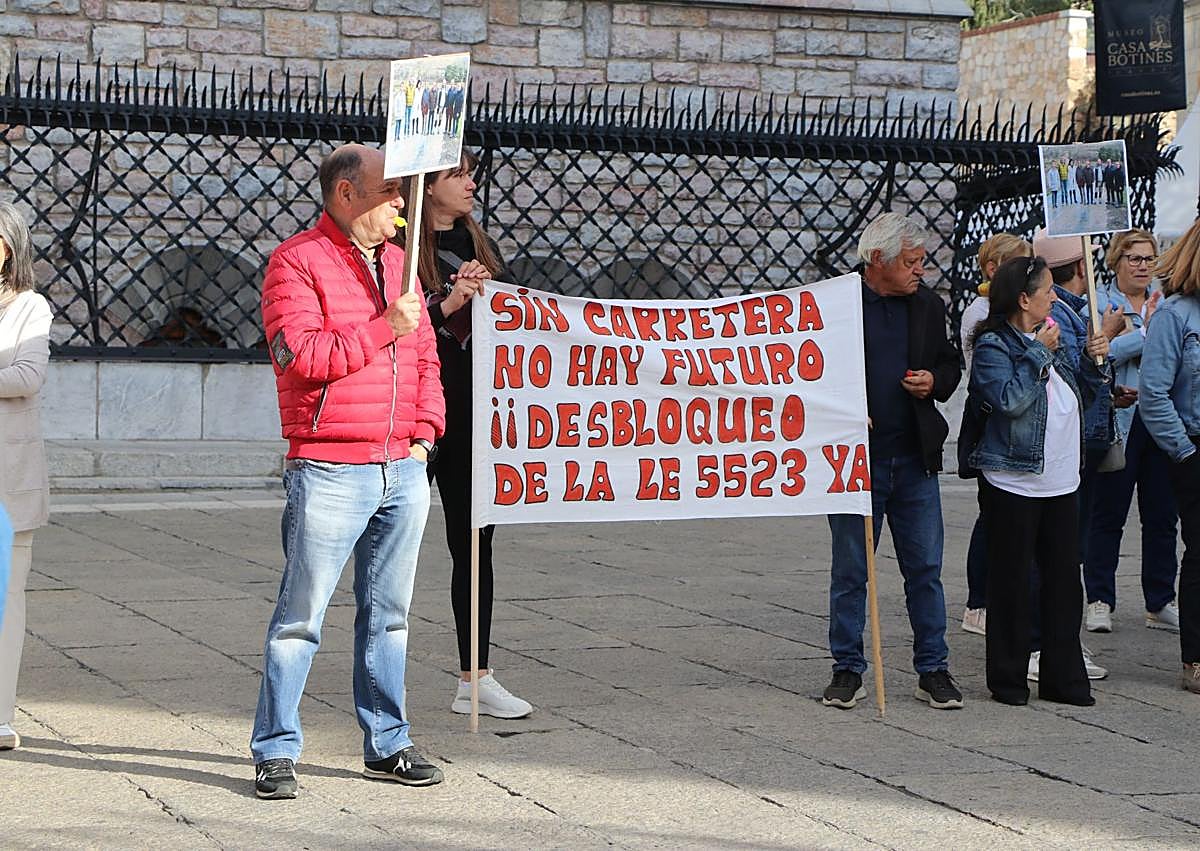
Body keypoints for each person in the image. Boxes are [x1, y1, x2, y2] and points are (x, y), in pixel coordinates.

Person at [251, 143, 446, 799]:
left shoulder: (401, 265)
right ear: (344, 194)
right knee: (300, 617)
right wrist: (383, 326)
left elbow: (426, 363)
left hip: (401, 469)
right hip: (330, 466)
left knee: (389, 616)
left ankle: (386, 743)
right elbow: (302, 355)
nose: (402, 204)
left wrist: (424, 437)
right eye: (390, 190)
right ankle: (276, 750)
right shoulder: (294, 263)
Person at [406, 150, 533, 719]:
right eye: (457, 174)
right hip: (415, 413)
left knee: (474, 544)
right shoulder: (401, 247)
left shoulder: (480, 246)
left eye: (469, 173)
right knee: (392, 542)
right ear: (427, 186)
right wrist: (449, 301)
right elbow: (396, 324)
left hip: (474, 415)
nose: (470, 183)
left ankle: (474, 677)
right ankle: (378, 669)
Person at [823, 212, 963, 711]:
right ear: (877, 261)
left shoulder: (926, 305)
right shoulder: (836, 303)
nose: (919, 270)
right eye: (910, 262)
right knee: (851, 570)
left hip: (913, 456)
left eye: (921, 261)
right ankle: (847, 667)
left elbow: (951, 363)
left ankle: (934, 667)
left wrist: (934, 381)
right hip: (856, 460)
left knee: (925, 568)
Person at [968, 255, 1109, 706]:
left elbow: (1078, 393)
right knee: (1012, 581)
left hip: (1063, 476)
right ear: (1024, 298)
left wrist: (1093, 361)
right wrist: (1038, 352)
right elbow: (1009, 401)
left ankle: (1062, 678)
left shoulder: (1054, 334)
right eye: (1047, 290)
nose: (1054, 297)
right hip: (1015, 478)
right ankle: (1008, 679)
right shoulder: (995, 344)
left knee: (1065, 581)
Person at [1084, 229, 1180, 635]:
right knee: (1109, 513)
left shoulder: (1167, 305)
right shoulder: (1101, 301)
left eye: (1148, 259)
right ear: (1116, 261)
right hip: (1119, 419)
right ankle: (1100, 598)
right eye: (1134, 258)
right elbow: (1100, 349)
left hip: (1160, 417)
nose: (1143, 266)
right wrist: (1146, 335)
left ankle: (1160, 600)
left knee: (1162, 515)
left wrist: (1131, 338)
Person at [959, 233, 1034, 636]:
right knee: (990, 517)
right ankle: (979, 601)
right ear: (994, 269)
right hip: (992, 421)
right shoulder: (981, 314)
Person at [1137, 220, 1200, 694]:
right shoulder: (1175, 316)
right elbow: (1153, 392)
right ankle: (1195, 658)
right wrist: (1183, 451)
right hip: (1194, 445)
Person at [0, 201, 52, 752]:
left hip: (7, 480)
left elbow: (25, 376)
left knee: (5, 598)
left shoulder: (30, 308)